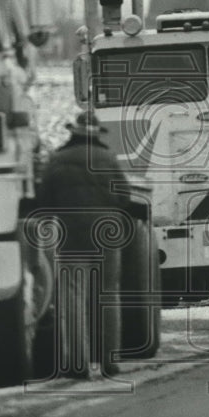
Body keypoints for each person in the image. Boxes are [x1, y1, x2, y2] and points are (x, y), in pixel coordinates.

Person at [37, 110, 131, 379]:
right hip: (107, 235)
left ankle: (78, 365)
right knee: (109, 294)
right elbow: (123, 198)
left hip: (73, 236)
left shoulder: (57, 160)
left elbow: (45, 202)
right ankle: (110, 362)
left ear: (73, 133)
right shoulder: (107, 158)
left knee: (73, 298)